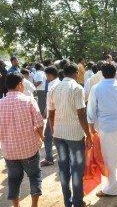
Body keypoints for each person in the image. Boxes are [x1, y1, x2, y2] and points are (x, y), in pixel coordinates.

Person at [48, 62, 92, 207]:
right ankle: (78, 202)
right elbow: (81, 114)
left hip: (59, 134)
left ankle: (68, 201)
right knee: (77, 170)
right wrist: (88, 135)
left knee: (63, 169)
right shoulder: (77, 88)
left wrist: (54, 132)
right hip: (74, 135)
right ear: (75, 74)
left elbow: (51, 114)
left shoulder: (54, 88)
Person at [0, 72, 44, 207]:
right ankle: (34, 205)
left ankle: (16, 206)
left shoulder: (0, 104)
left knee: (13, 179)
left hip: (10, 151)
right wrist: (41, 137)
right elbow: (39, 123)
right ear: (19, 85)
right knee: (34, 176)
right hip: (29, 148)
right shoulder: (29, 100)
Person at [87, 63, 117, 197]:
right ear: (115, 72)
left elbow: (91, 110)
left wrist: (91, 129)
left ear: (102, 74)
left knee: (109, 158)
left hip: (105, 128)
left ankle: (112, 187)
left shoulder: (96, 88)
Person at [40, 66, 60, 167]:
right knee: (57, 136)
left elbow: (50, 102)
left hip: (52, 115)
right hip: (58, 114)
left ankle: (49, 158)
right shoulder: (59, 83)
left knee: (48, 136)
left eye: (46, 76)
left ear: (49, 75)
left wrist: (47, 112)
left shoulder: (52, 85)